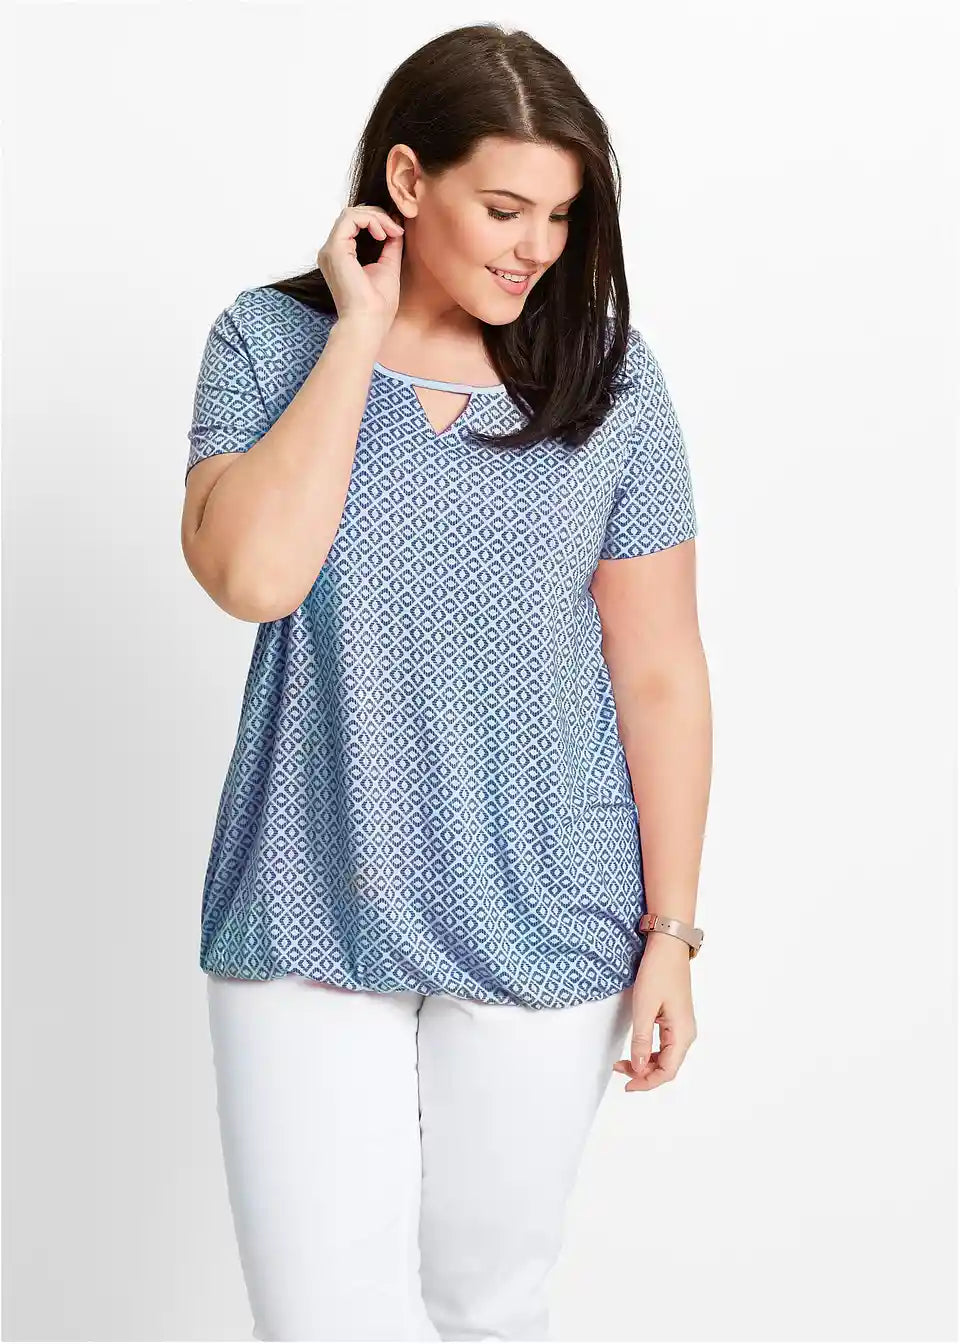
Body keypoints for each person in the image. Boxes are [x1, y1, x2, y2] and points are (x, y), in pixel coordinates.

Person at [181, 22, 711, 1343]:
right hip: (308, 899)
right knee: (321, 1322)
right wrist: (358, 334)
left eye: (562, 216)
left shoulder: (610, 378)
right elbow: (252, 576)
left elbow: (659, 671)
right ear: (409, 181)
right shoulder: (266, 343)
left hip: (549, 907)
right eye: (505, 208)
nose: (537, 247)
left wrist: (673, 935)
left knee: (489, 1309)